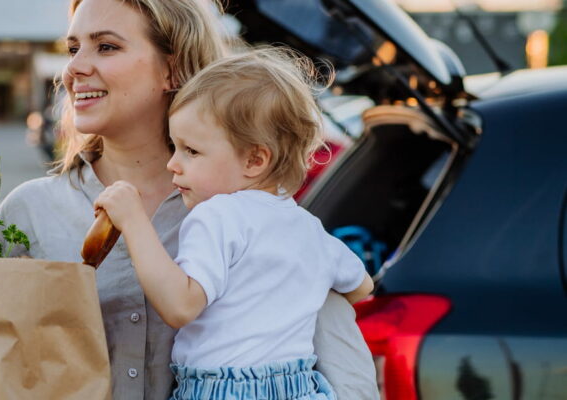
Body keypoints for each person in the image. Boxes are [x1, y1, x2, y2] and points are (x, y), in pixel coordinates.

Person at [0, 0, 378, 398]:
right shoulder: (30, 212)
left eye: (106, 47)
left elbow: (344, 369)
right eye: (73, 48)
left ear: (173, 69)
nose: (75, 69)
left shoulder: (249, 211)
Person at [93, 48, 375, 400]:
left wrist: (133, 221)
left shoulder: (217, 215)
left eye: (191, 151)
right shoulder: (309, 227)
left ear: (255, 159)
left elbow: (180, 306)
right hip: (300, 387)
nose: (173, 165)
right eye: (174, 147)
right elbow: (361, 286)